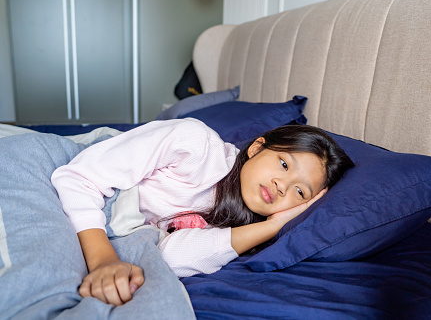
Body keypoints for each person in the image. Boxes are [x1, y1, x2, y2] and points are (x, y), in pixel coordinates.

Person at [51, 118, 354, 307]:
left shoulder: (238, 221)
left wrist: (271, 227)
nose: (281, 185)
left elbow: (170, 258)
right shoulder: (195, 146)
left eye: (299, 192)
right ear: (257, 147)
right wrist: (104, 260)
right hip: (68, 176)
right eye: (284, 164)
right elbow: (79, 178)